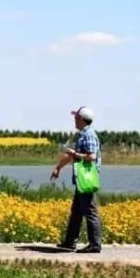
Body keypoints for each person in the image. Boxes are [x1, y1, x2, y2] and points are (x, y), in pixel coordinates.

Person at [51, 106, 102, 253]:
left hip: (87, 179)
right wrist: (58, 168)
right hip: (82, 179)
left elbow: (91, 157)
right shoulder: (82, 134)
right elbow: (71, 156)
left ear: (82, 119)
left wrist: (75, 153)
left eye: (76, 117)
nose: (74, 119)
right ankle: (70, 242)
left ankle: (95, 245)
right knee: (76, 211)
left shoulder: (88, 135)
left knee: (90, 211)